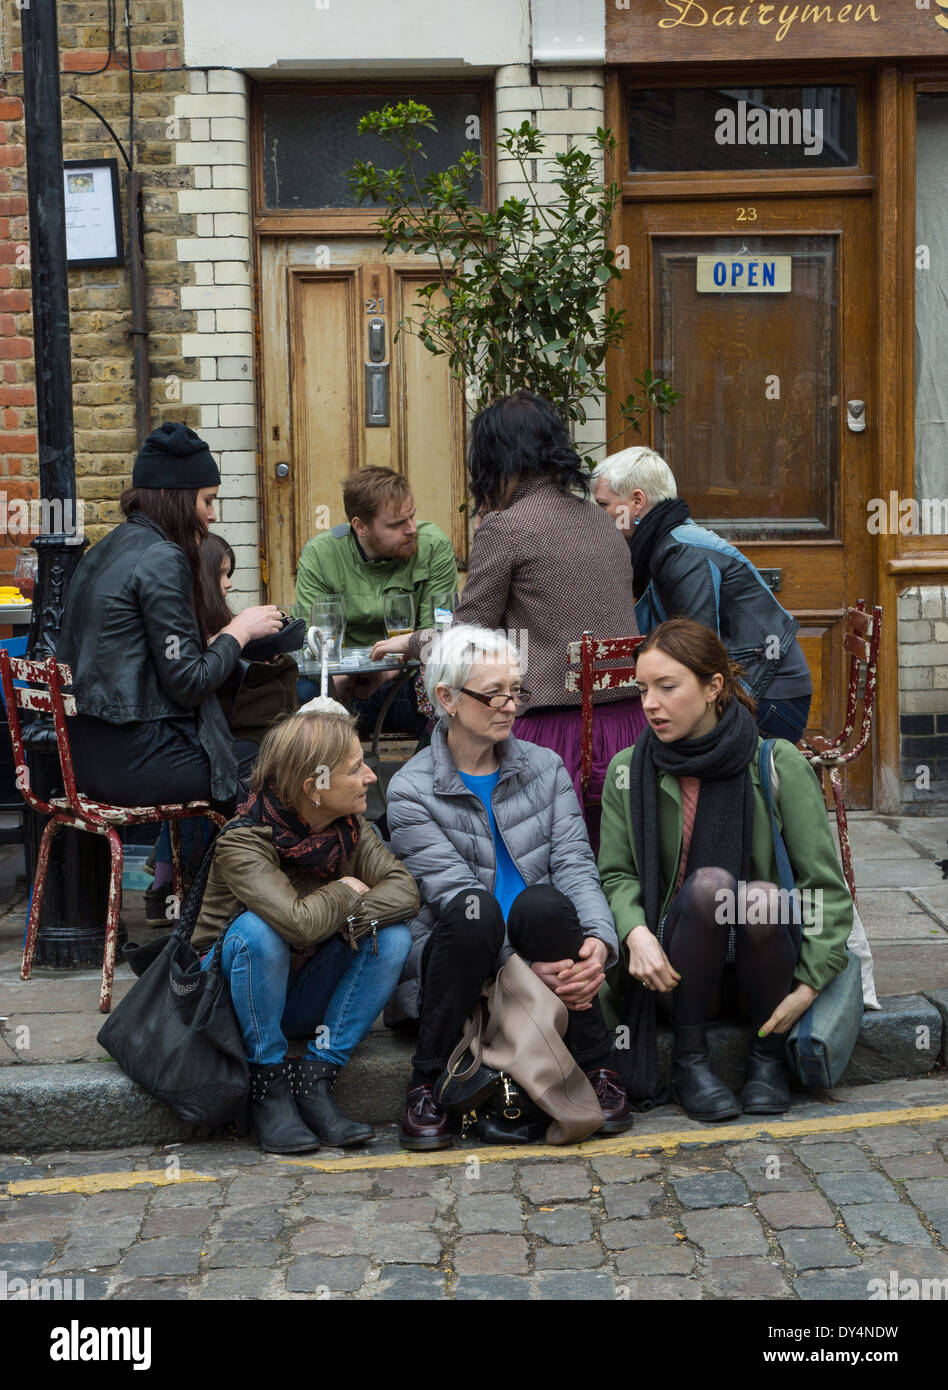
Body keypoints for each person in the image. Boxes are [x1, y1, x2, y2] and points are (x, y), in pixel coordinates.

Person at [385, 624, 633, 1151]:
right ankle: (425, 1081)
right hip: (462, 962)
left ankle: (598, 1069)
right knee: (474, 908)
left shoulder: (544, 767)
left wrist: (597, 943)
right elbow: (449, 895)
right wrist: (516, 966)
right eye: (494, 693)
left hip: (544, 944)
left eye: (516, 690)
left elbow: (575, 865)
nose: (511, 705)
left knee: (547, 902)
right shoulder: (411, 791)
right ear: (447, 699)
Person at [597, 618, 853, 1121]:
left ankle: (766, 1060)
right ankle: (690, 1062)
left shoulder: (775, 764)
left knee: (758, 896)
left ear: (714, 687)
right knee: (712, 886)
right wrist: (636, 934)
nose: (650, 703)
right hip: (673, 973)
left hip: (768, 968)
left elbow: (823, 889)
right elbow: (616, 874)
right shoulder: (628, 770)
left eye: (667, 688)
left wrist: (808, 985)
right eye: (643, 688)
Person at [373, 391, 648, 821]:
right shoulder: (601, 520)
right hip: (629, 729)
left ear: (492, 459)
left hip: (555, 736)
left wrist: (412, 641)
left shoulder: (507, 527)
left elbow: (466, 640)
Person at [192, 708, 418, 1153]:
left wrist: (339, 913)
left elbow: (405, 891)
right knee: (259, 931)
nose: (371, 776)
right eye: (355, 769)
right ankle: (268, 1085)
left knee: (393, 936)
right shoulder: (243, 841)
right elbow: (295, 923)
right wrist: (344, 891)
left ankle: (315, 1079)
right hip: (232, 1003)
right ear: (313, 788)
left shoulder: (351, 828)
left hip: (303, 988)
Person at [58, 422, 285, 810]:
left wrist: (213, 645)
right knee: (283, 762)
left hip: (90, 758)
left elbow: (153, 656)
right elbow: (189, 683)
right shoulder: (163, 556)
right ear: (173, 497)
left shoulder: (108, 546)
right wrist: (239, 630)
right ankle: (231, 871)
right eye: (208, 501)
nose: (213, 516)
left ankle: (195, 869)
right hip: (139, 762)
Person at [592, 446, 813, 743]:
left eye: (602, 504)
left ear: (637, 501)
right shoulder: (666, 542)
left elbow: (695, 648)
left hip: (770, 699)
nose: (596, 516)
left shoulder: (682, 552)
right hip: (754, 687)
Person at [144, 532, 300, 925]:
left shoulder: (195, 616)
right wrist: (233, 639)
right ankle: (220, 883)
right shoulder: (183, 619)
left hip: (179, 741)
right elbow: (191, 676)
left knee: (249, 757)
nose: (229, 583)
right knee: (253, 765)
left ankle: (167, 880)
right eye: (222, 574)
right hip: (181, 743)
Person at [295, 466, 458, 736]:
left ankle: (431, 772)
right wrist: (335, 681)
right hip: (342, 686)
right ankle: (328, 775)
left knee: (443, 684)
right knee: (303, 694)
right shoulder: (320, 555)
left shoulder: (433, 546)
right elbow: (309, 638)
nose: (412, 529)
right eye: (396, 524)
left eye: (412, 516)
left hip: (407, 678)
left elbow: (439, 635)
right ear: (359, 526)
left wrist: (387, 672)